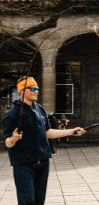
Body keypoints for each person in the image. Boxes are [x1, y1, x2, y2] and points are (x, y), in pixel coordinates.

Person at [2, 77, 86, 205]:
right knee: (27, 201)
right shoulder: (12, 114)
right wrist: (13, 138)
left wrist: (71, 131)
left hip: (43, 162)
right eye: (33, 88)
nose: (37, 91)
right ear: (22, 91)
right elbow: (7, 143)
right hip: (24, 164)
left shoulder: (40, 109)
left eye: (37, 88)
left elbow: (48, 132)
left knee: (39, 201)